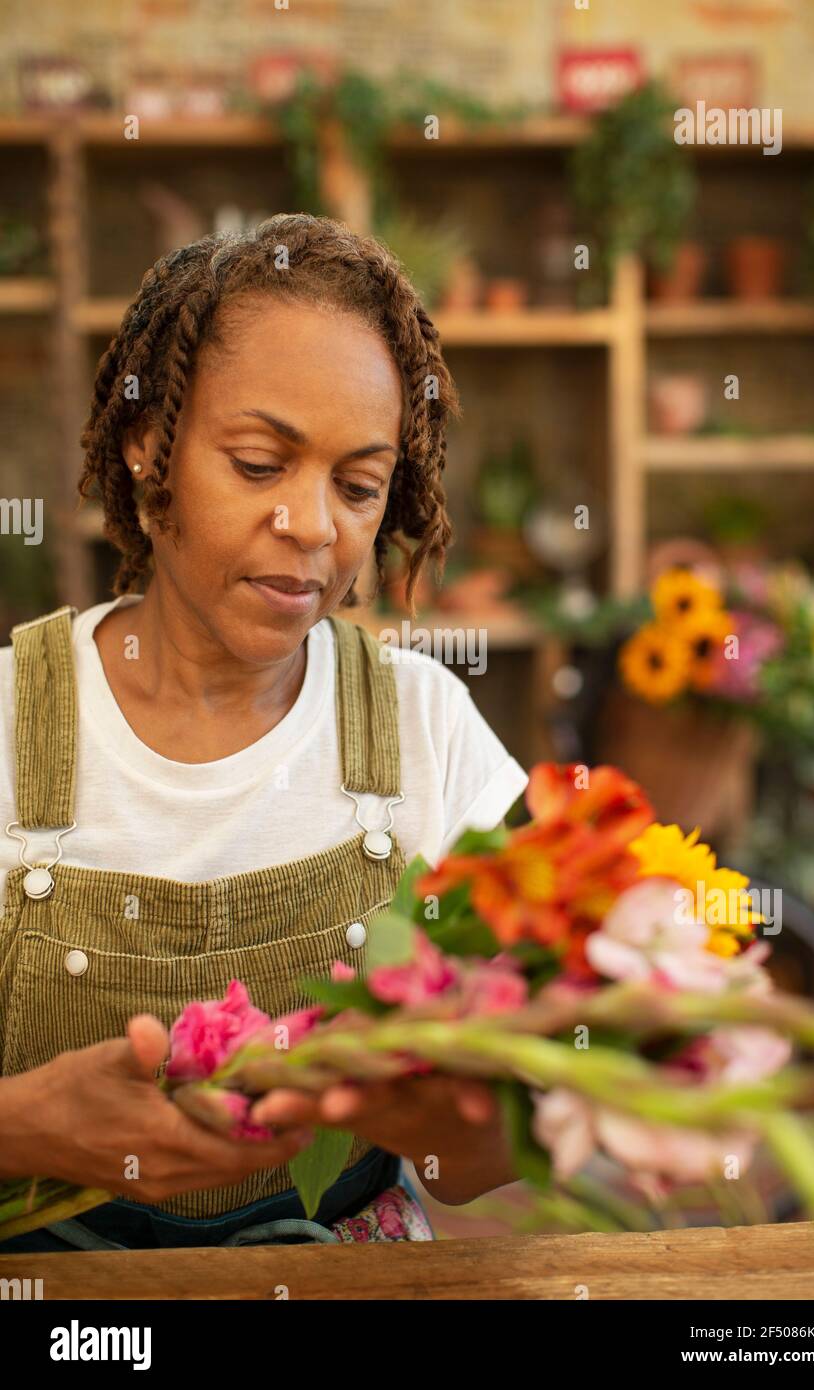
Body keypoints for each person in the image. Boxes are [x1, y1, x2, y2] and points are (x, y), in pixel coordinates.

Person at [0, 214, 529, 1252]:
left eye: (357, 484)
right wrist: (23, 1125)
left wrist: (434, 1115)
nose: (313, 525)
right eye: (257, 463)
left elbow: (486, 1162)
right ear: (150, 445)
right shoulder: (13, 721)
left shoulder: (423, 728)